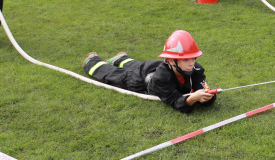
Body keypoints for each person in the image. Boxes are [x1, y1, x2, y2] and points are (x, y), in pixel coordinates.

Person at [82, 30, 216, 113]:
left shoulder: (196, 70)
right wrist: (192, 99)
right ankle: (91, 61)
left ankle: (121, 58)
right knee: (114, 75)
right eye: (185, 60)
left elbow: (204, 88)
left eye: (193, 58)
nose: (191, 63)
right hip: (139, 80)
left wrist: (208, 97)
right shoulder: (162, 78)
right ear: (170, 61)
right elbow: (176, 102)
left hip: (150, 67)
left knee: (138, 65)